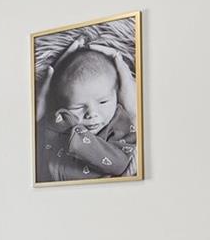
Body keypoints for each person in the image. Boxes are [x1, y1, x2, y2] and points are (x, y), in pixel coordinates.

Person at [37, 45, 137, 181]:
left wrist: (78, 137)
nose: (92, 113)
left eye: (103, 102)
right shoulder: (60, 118)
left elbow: (119, 164)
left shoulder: (120, 123)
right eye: (78, 107)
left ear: (116, 94)